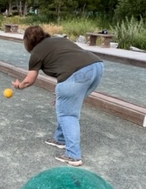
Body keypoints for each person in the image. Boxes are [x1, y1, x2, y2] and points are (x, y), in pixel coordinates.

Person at [12, 25, 104, 167]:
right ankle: (60, 138)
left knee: (68, 115)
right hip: (97, 67)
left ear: (27, 41)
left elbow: (29, 80)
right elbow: (68, 61)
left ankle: (73, 155)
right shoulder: (58, 40)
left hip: (78, 74)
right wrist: (64, 95)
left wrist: (19, 86)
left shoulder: (36, 52)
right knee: (65, 107)